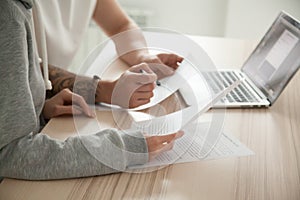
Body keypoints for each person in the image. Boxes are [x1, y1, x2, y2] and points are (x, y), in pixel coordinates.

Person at [0, 0, 183, 180]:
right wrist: (123, 147)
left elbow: (120, 23)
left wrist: (39, 110)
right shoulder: (8, 14)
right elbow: (9, 153)